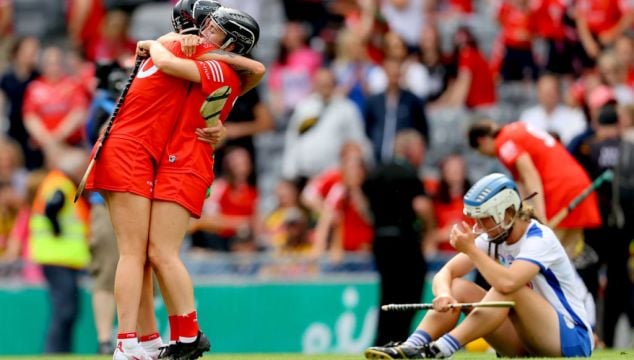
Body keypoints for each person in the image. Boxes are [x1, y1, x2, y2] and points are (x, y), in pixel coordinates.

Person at [86, 3, 264, 358]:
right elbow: (252, 70)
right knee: (143, 255)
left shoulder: (208, 62)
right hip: (146, 156)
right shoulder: (195, 55)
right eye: (201, 25)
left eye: (212, 29)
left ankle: (178, 337)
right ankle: (147, 341)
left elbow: (254, 68)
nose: (201, 32)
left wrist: (151, 43)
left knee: (156, 254)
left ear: (232, 43)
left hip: (177, 163)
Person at [365, 173, 593, 359]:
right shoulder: (495, 235)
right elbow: (446, 273)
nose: (478, 226)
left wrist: (471, 250)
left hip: (571, 341)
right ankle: (412, 347)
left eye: (484, 218)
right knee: (458, 288)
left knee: (508, 287)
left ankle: (440, 350)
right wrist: (444, 295)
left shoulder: (539, 238)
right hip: (527, 342)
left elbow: (508, 282)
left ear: (508, 213)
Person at [467, 119, 601, 262]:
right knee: (567, 255)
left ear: (482, 141)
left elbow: (530, 174)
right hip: (577, 183)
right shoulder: (515, 128)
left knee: (544, 254)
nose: (486, 155)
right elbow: (522, 183)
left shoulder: (504, 144)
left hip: (559, 189)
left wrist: (541, 217)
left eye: (481, 151)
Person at [362, 129, 433, 346]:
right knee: (411, 294)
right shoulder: (409, 174)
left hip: (381, 240)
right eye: (421, 149)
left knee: (388, 294)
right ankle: (400, 339)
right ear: (410, 150)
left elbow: (365, 206)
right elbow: (422, 206)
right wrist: (430, 232)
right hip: (405, 241)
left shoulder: (375, 173)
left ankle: (382, 341)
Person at [29, 147, 91, 354]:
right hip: (57, 256)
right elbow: (52, 207)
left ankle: (62, 352)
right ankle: (55, 352)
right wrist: (57, 231)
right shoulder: (61, 184)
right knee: (64, 310)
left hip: (61, 257)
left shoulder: (57, 182)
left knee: (68, 310)